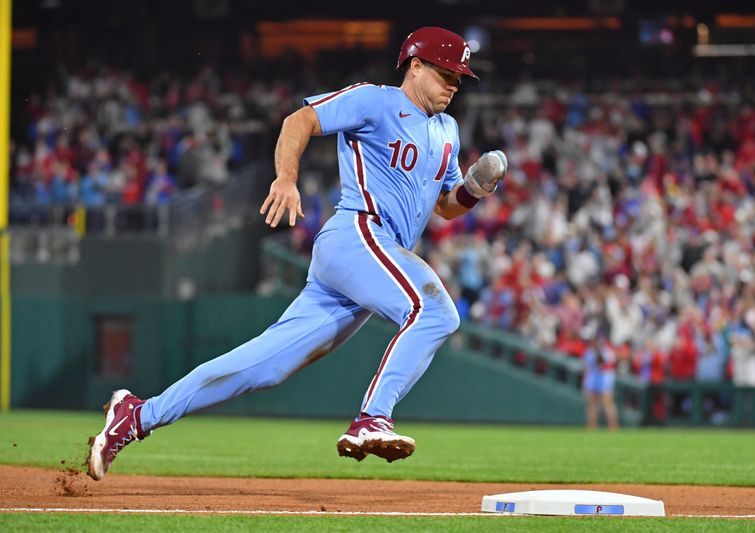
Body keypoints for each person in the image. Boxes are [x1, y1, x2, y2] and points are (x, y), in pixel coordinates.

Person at [87, 27, 508, 480]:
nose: (453, 84)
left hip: (372, 261)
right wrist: (285, 178)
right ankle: (372, 418)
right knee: (435, 312)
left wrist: (474, 189)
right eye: (446, 73)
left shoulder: (447, 129)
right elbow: (299, 121)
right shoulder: (375, 100)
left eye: (459, 77)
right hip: (358, 234)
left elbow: (445, 206)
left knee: (263, 366)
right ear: (416, 65)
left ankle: (136, 415)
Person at [582, 335, 620, 430]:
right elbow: (587, 368)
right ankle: (592, 426)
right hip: (592, 379)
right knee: (591, 404)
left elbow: (608, 365)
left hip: (605, 379)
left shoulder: (607, 352)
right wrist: (585, 382)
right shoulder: (589, 352)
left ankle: (613, 425)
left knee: (607, 403)